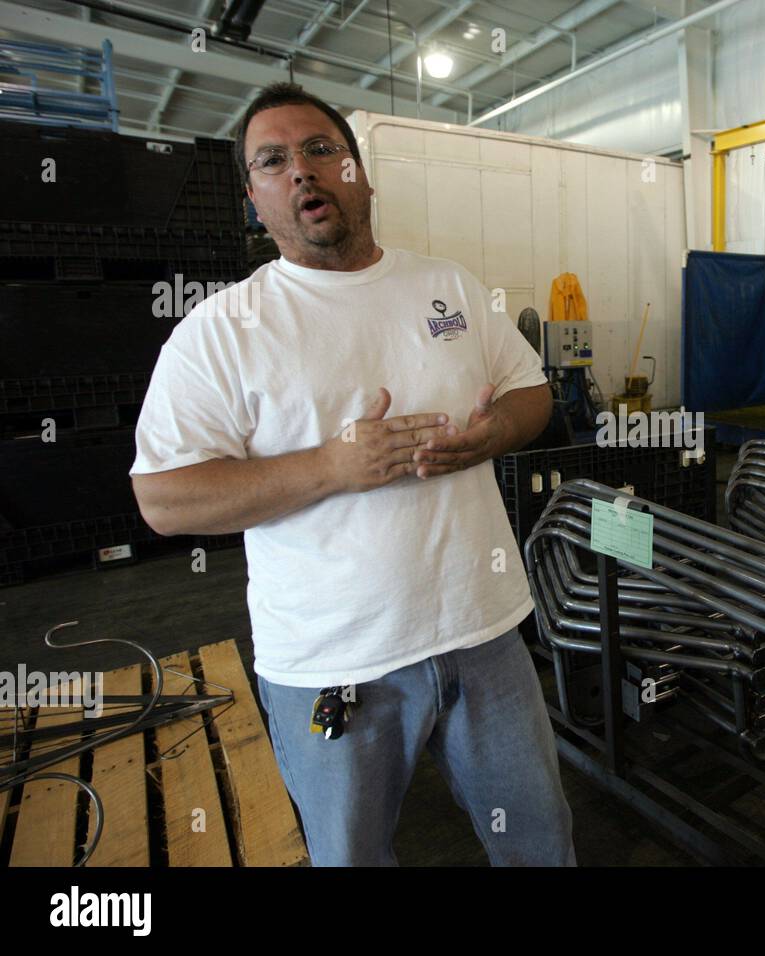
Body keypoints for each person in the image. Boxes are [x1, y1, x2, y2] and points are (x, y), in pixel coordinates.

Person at [129, 82, 575, 867]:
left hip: (484, 637)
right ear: (254, 197)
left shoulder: (450, 288)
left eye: (320, 149)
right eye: (273, 160)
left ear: (360, 171)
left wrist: (491, 434)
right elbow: (164, 497)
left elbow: (531, 391)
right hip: (335, 665)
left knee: (539, 845)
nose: (301, 171)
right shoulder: (221, 332)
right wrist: (335, 466)